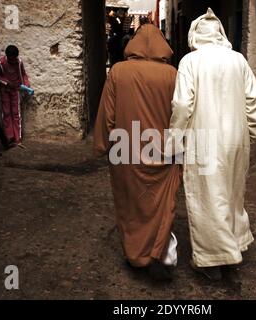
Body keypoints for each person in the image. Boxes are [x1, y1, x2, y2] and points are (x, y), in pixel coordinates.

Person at [166, 8, 256, 280]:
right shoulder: (239, 60)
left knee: (209, 197)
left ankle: (212, 261)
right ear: (220, 34)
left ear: (195, 35)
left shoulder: (190, 61)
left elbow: (183, 104)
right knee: (232, 195)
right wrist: (251, 134)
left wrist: (173, 141)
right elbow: (253, 101)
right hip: (236, 140)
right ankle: (233, 250)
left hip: (204, 140)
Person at [94, 24, 181, 281]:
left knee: (130, 204)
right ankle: (158, 252)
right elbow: (180, 113)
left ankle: (136, 255)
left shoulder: (119, 72)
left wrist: (102, 143)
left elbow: (107, 113)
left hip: (126, 152)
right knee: (162, 203)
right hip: (163, 152)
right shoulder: (172, 74)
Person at [0, 45, 30, 146]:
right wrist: (7, 83)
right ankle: (9, 136)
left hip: (16, 90)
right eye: (10, 59)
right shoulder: (0, 63)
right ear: (7, 56)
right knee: (6, 113)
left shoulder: (19, 62)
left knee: (16, 114)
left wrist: (26, 84)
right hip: (5, 91)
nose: (12, 61)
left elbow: (23, 74)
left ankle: (17, 138)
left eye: (14, 58)